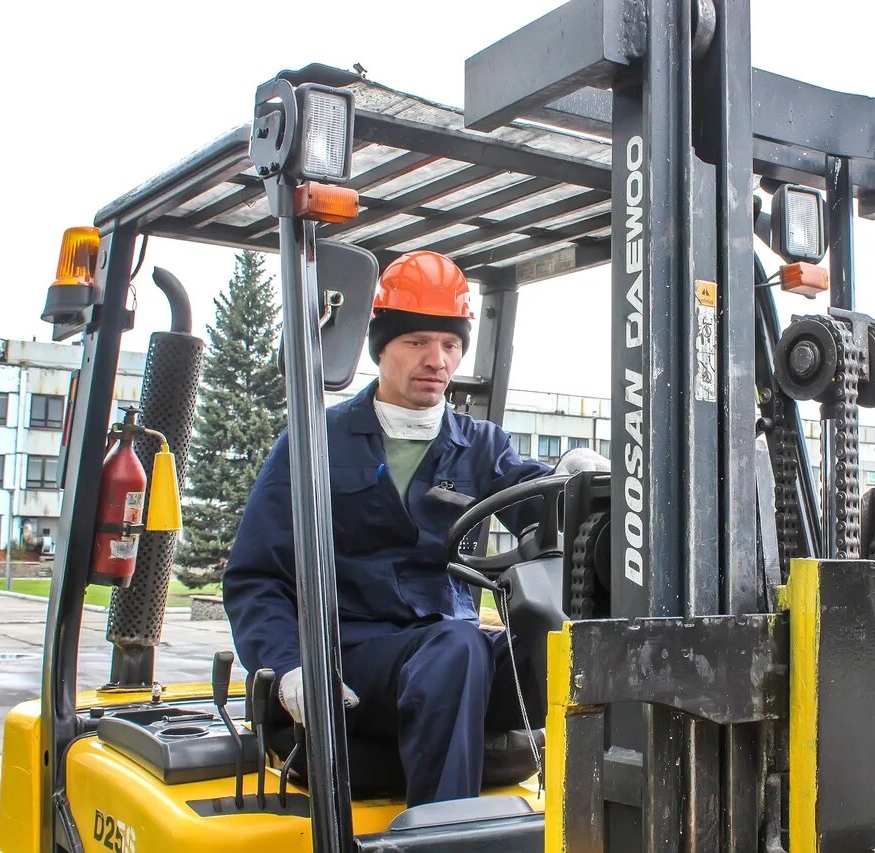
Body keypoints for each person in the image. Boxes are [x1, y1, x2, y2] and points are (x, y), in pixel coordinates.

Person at [223, 250, 607, 805]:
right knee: (457, 645)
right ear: (382, 348)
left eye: (450, 344)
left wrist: (590, 492)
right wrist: (288, 669)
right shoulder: (313, 444)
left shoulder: (481, 446)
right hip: (354, 658)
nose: (437, 359)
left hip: (451, 661)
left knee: (568, 644)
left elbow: (548, 506)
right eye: (417, 342)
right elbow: (256, 577)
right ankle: (446, 836)